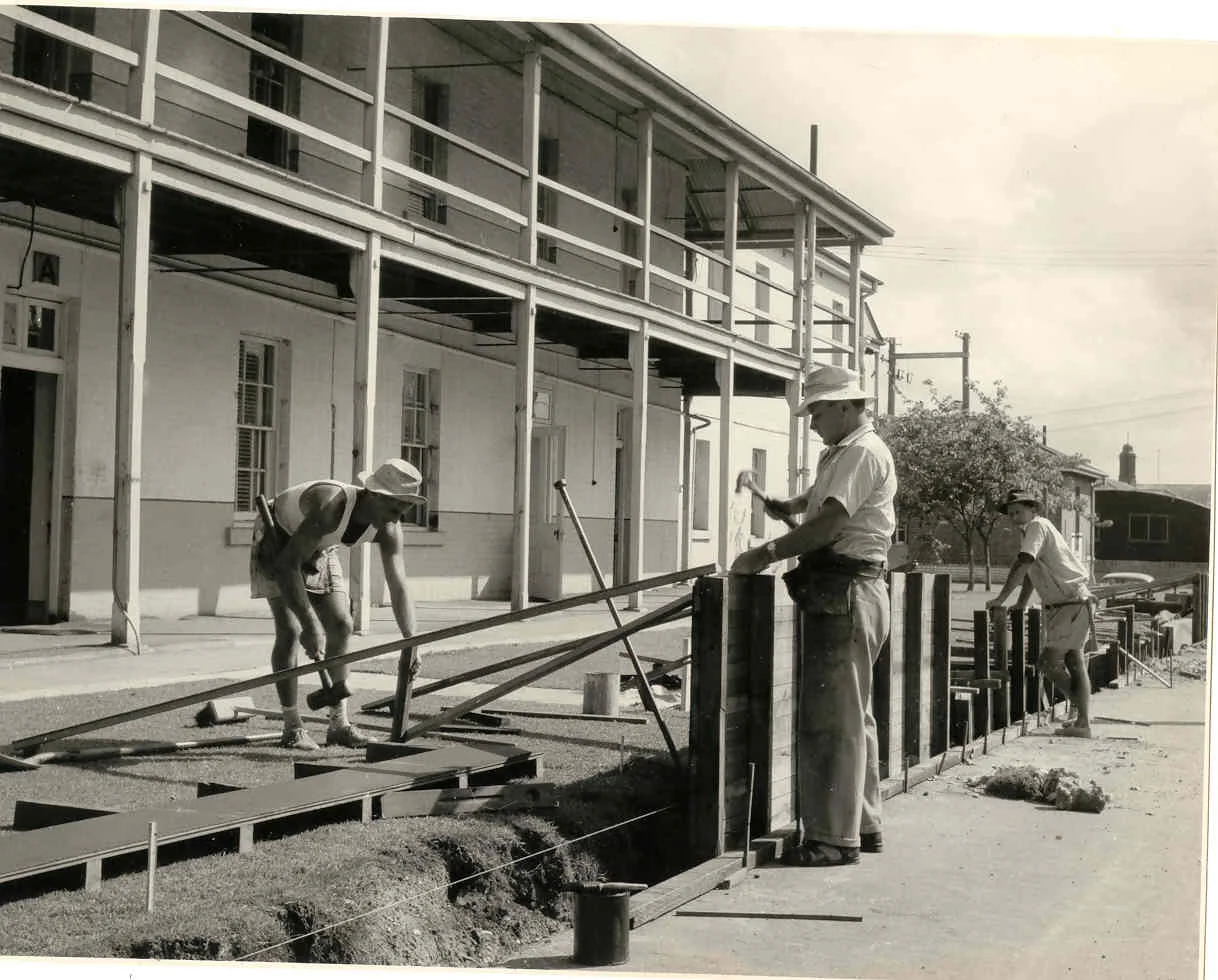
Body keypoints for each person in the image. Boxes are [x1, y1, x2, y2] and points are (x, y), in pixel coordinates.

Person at [731, 365, 896, 867]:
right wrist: (785, 503)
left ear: (848, 406)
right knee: (855, 716)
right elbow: (815, 502)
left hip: (846, 590)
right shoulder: (843, 452)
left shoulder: (863, 451)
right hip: (850, 589)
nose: (811, 421)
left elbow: (827, 523)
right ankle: (862, 825)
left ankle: (830, 839)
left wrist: (765, 553)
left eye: (818, 411)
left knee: (833, 722)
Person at [251, 458, 424, 750]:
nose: (396, 517)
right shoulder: (331, 506)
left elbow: (398, 585)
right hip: (277, 535)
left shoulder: (390, 527)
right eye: (394, 508)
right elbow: (287, 565)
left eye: (404, 509)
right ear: (374, 495)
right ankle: (292, 727)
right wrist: (310, 624)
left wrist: (412, 642)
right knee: (291, 630)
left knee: (342, 625)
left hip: (320, 545)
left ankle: (339, 725)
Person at [986, 489, 1096, 737]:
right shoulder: (1033, 531)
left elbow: (1023, 563)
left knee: (1047, 662)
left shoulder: (1036, 527)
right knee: (1073, 661)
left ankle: (1082, 717)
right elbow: (1031, 574)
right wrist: (1022, 603)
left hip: (1070, 603)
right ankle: (1082, 721)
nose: (1014, 516)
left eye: (1019, 511)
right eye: (1011, 513)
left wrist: (1001, 598)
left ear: (1032, 509)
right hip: (1073, 602)